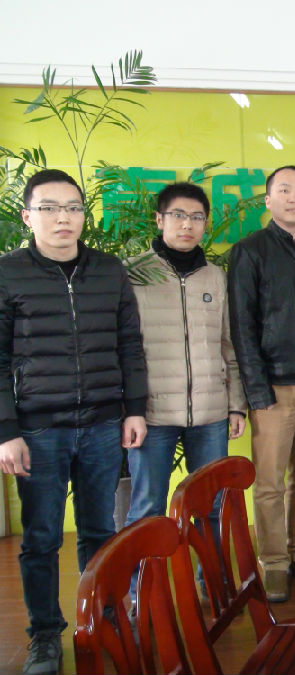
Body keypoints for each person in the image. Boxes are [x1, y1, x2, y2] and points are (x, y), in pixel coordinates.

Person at [0, 169, 147, 674]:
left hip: (104, 422)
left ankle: (103, 617)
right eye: (49, 207)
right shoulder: (7, 273)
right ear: (28, 216)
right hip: (39, 428)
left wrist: (134, 408)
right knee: (41, 536)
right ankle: (45, 635)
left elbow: (129, 344)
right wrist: (6, 432)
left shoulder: (108, 270)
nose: (63, 217)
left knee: (99, 529)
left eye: (73, 208)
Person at [123, 182, 246, 599]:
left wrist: (236, 405)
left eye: (196, 217)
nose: (187, 225)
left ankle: (212, 582)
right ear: (159, 219)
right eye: (178, 215)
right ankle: (142, 594)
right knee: (147, 508)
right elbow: (122, 347)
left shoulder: (216, 276)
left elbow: (228, 344)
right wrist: (129, 409)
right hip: (152, 414)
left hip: (210, 412)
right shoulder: (133, 274)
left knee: (211, 505)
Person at [228, 165, 295, 602]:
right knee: (271, 481)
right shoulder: (249, 250)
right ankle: (273, 562)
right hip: (273, 386)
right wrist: (256, 390)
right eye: (284, 190)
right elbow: (242, 325)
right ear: (268, 199)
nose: (294, 198)